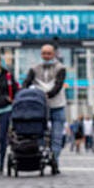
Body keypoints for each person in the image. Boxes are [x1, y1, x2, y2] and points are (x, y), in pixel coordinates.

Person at [22, 43, 68, 174]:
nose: (46, 56)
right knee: (39, 135)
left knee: (56, 137)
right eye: (44, 53)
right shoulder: (34, 68)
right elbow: (26, 82)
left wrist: (47, 95)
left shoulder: (61, 68)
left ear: (54, 54)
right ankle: (40, 159)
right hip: (39, 107)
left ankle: (55, 161)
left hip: (57, 105)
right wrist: (23, 95)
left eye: (49, 53)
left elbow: (58, 85)